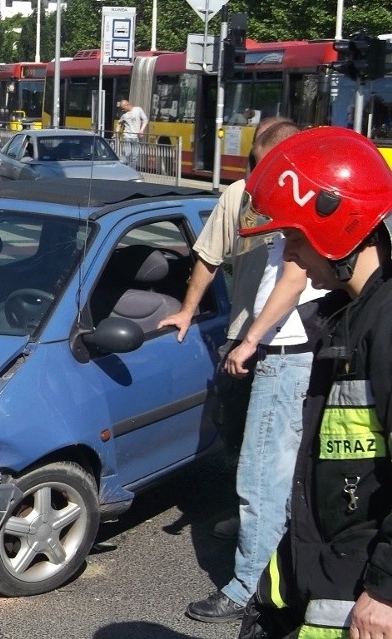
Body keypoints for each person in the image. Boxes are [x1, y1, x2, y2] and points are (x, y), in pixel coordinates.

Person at [236, 128, 392, 639]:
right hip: (322, 569)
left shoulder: (386, 325)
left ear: (340, 229)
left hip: (360, 596)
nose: (293, 259)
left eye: (297, 240)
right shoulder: (346, 318)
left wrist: (386, 590)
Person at [183, 121, 330, 624]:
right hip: (288, 350)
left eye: (266, 164)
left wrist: (250, 339)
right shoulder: (293, 199)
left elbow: (293, 275)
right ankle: (281, 570)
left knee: (261, 476)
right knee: (276, 472)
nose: (257, 174)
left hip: (285, 355)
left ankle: (249, 586)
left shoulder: (300, 206)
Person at [116, 99, 148, 169]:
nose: (123, 110)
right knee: (127, 154)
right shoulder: (124, 115)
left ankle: (131, 171)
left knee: (134, 156)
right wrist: (116, 132)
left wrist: (141, 130)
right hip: (127, 136)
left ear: (127, 105)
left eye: (123, 108)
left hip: (135, 137)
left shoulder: (138, 110)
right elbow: (119, 123)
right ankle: (121, 167)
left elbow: (145, 120)